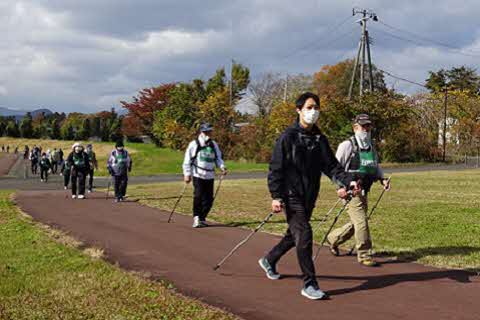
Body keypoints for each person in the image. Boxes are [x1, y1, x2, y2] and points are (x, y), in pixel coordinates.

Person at [257, 92, 360, 300]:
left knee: (294, 235)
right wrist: (276, 196)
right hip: (290, 195)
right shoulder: (288, 137)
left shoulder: (320, 139)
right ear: (299, 110)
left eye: (316, 108)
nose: (313, 112)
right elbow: (275, 168)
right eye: (309, 107)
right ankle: (309, 284)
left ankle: (270, 259)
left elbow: (331, 166)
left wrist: (348, 180)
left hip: (309, 195)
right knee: (304, 235)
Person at [327, 114, 391, 267]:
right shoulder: (347, 145)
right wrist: (341, 187)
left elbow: (374, 167)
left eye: (368, 126)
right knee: (361, 222)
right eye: (363, 126)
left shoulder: (371, 146)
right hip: (350, 192)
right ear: (355, 128)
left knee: (358, 222)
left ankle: (333, 238)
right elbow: (334, 169)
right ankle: (364, 254)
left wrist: (382, 179)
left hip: (364, 191)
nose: (366, 129)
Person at [182, 123, 227, 228]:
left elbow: (218, 158)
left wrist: (222, 167)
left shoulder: (213, 144)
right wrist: (187, 174)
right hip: (198, 174)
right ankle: (196, 217)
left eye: (209, 131)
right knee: (198, 196)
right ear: (201, 132)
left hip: (210, 175)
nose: (208, 134)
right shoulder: (194, 144)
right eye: (205, 132)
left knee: (209, 199)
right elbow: (187, 160)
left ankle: (202, 218)